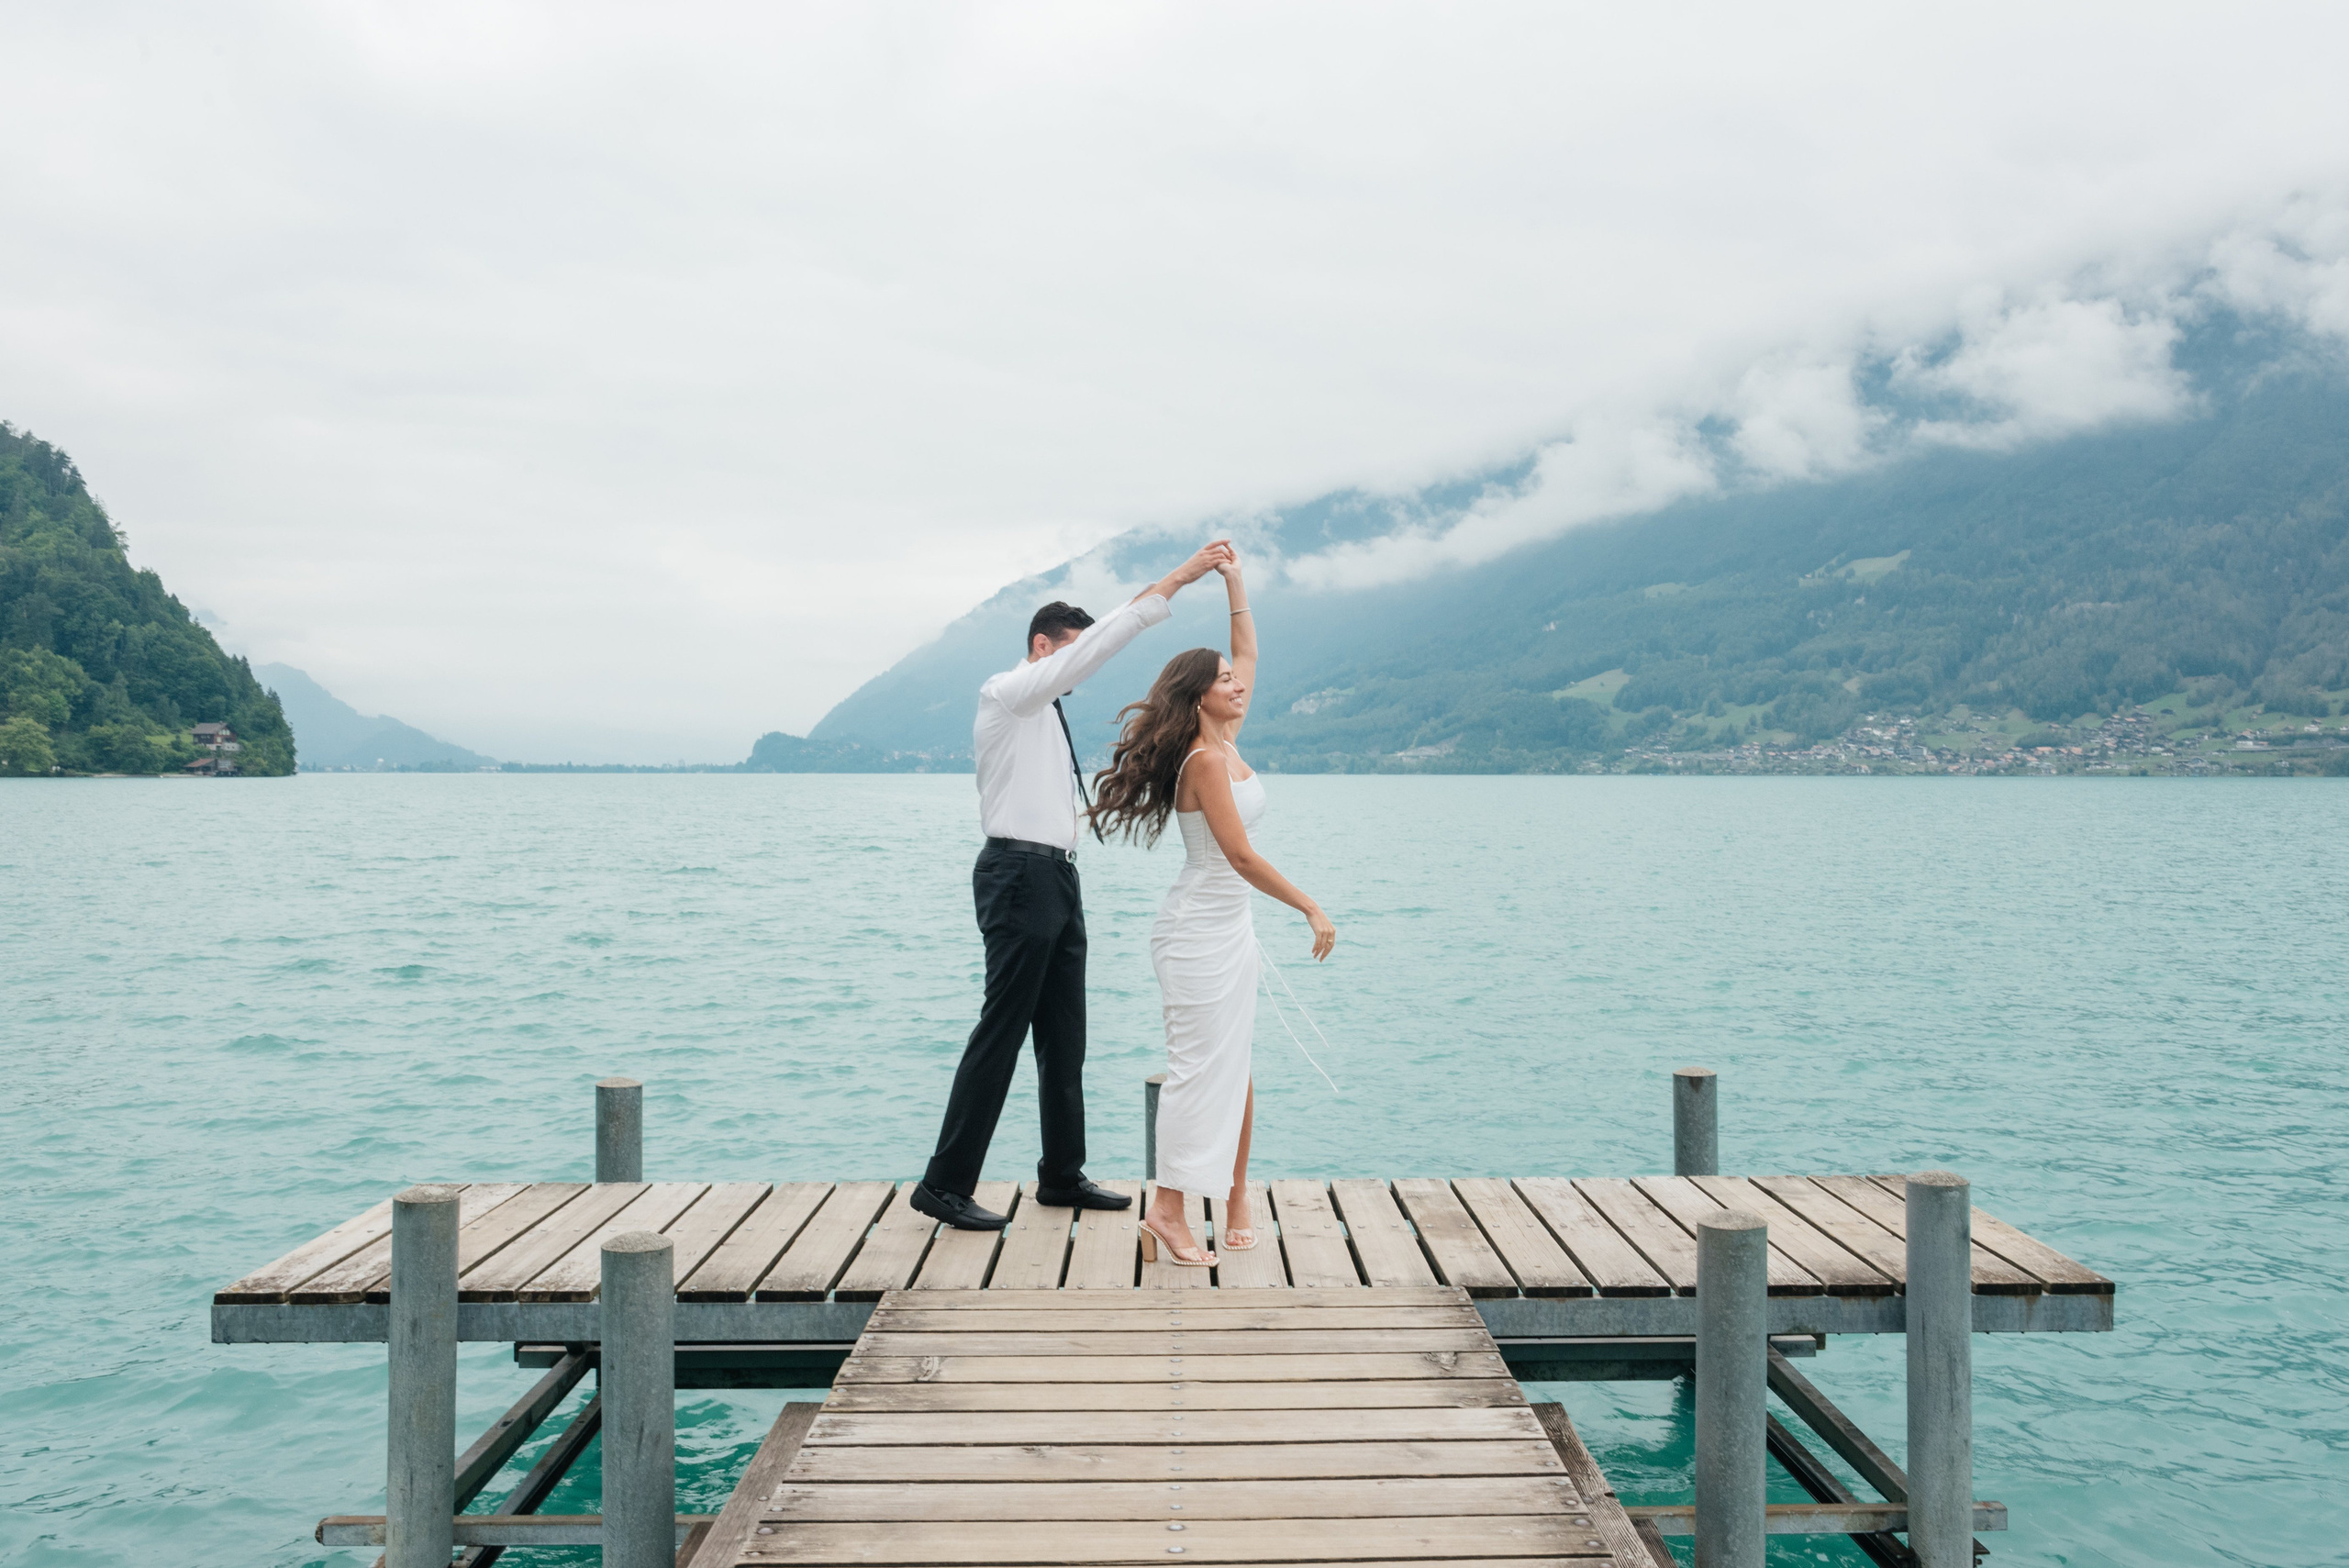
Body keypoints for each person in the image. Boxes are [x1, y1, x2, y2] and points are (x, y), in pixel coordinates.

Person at [909, 539, 1237, 1231]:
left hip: (1055, 877)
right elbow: (1091, 652)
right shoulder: (1006, 693)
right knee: (1002, 1028)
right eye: (1066, 656)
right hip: (1018, 876)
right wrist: (1178, 579)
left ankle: (1061, 1173)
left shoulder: (1046, 709)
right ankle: (943, 1182)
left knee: (1065, 1034)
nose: (1076, 672)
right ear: (1041, 647)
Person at [1086, 552, 1336, 1265]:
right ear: (1202, 697)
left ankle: (1225, 1196)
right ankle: (1167, 1210)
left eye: (1234, 677)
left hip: (1229, 929)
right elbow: (1241, 857)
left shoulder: (1225, 736)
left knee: (1232, 1065)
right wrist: (1311, 906)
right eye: (1225, 679)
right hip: (1198, 928)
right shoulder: (1202, 760)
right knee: (1199, 1068)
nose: (1239, 682)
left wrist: (1230, 581)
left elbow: (1250, 647)